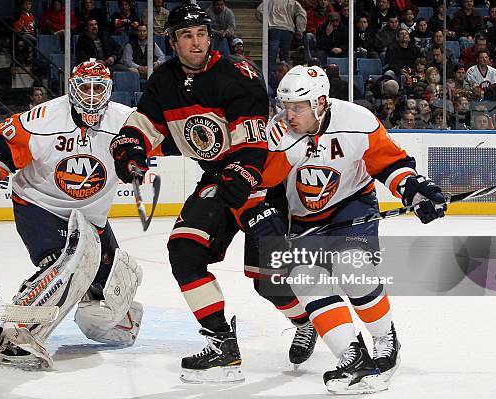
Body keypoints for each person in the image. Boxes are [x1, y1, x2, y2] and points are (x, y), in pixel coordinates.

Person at [0, 59, 142, 368]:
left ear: (109, 91)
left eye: (99, 89)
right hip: (40, 206)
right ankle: (15, 335)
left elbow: (173, 137)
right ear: (72, 90)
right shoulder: (42, 120)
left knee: (112, 297)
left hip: (91, 219)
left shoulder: (128, 122)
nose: (93, 95)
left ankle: (107, 318)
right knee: (69, 264)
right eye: (85, 88)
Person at [256, 65, 446, 393]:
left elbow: (389, 164)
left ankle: (385, 340)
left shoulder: (357, 122)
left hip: (352, 203)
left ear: (320, 103)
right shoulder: (279, 131)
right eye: (284, 106)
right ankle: (351, 356)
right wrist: (279, 150)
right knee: (305, 280)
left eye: (297, 107)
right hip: (304, 217)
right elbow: (268, 181)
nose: (289, 114)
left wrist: (414, 189)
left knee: (352, 271)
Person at [109, 3, 271, 383]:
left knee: (271, 280)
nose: (195, 42)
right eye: (186, 35)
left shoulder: (237, 73)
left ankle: (308, 323)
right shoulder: (164, 81)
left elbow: (253, 139)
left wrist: (244, 171)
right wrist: (129, 150)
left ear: (210, 37)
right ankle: (222, 344)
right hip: (218, 178)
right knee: (184, 251)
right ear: (173, 41)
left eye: (201, 34)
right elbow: (144, 126)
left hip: (264, 179)